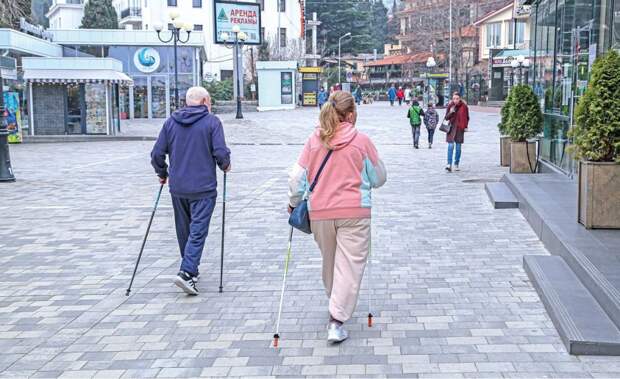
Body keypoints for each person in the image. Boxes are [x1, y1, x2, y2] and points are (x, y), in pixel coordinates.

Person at [288, 91, 387, 343]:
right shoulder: (362, 141)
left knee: (330, 261)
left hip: (320, 212)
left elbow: (297, 177)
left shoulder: (314, 139)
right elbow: (379, 178)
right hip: (354, 211)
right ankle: (336, 319)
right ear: (351, 114)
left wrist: (293, 203)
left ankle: (336, 304)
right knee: (350, 265)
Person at [151, 87, 231, 295]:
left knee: (184, 230)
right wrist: (225, 164)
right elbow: (220, 151)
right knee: (197, 231)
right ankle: (186, 272)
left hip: (178, 187)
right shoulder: (212, 122)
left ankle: (190, 268)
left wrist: (162, 173)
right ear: (205, 100)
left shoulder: (170, 123)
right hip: (203, 187)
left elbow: (157, 154)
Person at [444, 92, 470, 172]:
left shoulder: (464, 107)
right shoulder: (450, 106)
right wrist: (451, 112)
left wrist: (465, 126)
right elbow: (446, 118)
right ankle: (449, 164)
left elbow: (467, 117)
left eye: (457, 98)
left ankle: (456, 163)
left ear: (460, 98)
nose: (455, 100)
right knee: (450, 146)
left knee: (458, 147)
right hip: (451, 128)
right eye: (454, 98)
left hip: (459, 129)